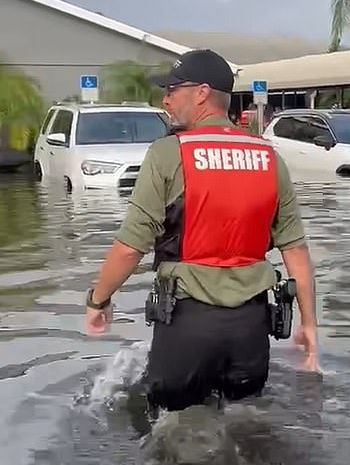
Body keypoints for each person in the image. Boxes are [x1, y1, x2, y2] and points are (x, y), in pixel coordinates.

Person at [84, 49, 319, 413]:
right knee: (247, 430)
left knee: (168, 433)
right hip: (252, 333)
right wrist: (309, 326)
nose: (166, 99)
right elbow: (296, 253)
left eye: (173, 89)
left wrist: (98, 301)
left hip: (187, 327)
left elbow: (131, 247)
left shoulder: (168, 153)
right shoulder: (270, 158)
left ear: (201, 93)